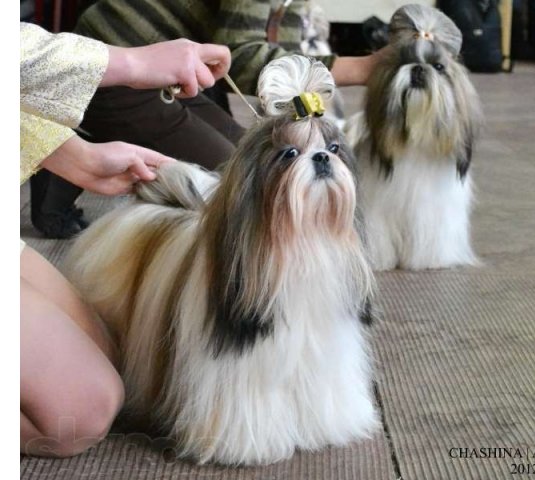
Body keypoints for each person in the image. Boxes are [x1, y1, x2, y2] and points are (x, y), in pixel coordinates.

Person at [20, 22, 231, 457]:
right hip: (90, 68)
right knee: (78, 414)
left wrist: (74, 156)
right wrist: (129, 61)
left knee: (112, 360)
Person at [30, 0, 389, 238]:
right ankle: (62, 132)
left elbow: (285, 61)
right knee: (239, 177)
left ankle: (70, 133)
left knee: (251, 157)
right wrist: (364, 68)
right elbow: (245, 56)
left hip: (174, 72)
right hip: (110, 69)